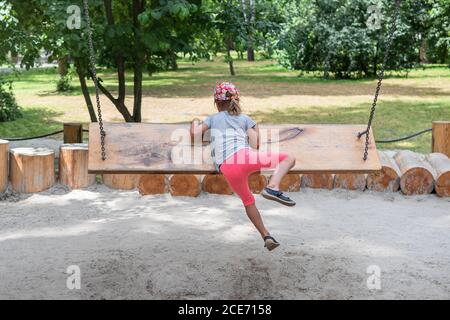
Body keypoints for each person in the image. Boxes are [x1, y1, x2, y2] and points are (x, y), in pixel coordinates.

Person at [190, 82, 296, 251]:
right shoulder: (245, 119)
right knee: (288, 158)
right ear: (237, 100)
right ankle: (272, 187)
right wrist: (252, 131)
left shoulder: (213, 118)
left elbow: (195, 134)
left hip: (226, 168)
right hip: (244, 158)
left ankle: (266, 235)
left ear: (216, 103)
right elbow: (256, 144)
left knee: (248, 201)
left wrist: (195, 122)